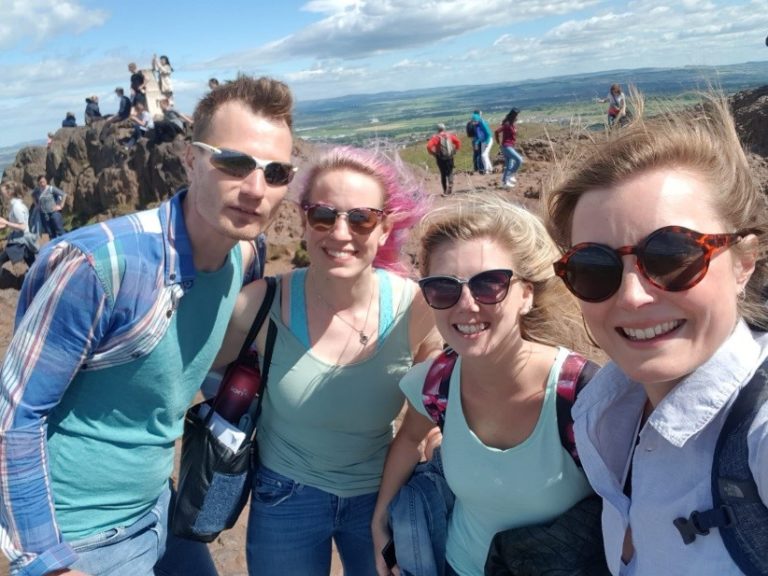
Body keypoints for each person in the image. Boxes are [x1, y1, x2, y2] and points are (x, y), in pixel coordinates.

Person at [0, 75, 295, 576]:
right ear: (190, 159)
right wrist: (47, 564)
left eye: (276, 172)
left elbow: (185, 374)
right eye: (234, 162)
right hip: (84, 537)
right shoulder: (99, 265)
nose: (255, 188)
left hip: (163, 509)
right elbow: (13, 416)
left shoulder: (241, 259)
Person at [545, 94, 768, 574]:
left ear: (744, 262)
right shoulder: (609, 410)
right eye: (593, 266)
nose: (631, 296)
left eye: (671, 256)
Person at [215, 145, 443, 576]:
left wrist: (438, 446)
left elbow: (432, 408)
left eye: (361, 218)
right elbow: (190, 372)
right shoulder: (262, 305)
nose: (341, 234)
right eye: (324, 215)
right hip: (284, 497)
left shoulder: (415, 308)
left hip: (378, 495)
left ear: (383, 228)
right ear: (303, 221)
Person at [372, 194, 598, 576]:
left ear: (526, 295)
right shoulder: (435, 383)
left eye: (489, 284)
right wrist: (380, 522)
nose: (466, 305)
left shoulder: (582, 395)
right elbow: (410, 439)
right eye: (444, 288)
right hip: (457, 565)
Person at [0, 182, 38, 270]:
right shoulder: (15, 205)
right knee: (32, 265)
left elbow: (23, 227)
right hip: (22, 240)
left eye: (2, 193)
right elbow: (17, 223)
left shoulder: (17, 207)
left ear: (9, 193)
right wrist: (5, 225)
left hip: (20, 241)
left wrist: (6, 222)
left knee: (1, 260)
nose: (2, 196)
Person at [426, 123, 461, 196]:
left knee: (443, 173)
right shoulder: (450, 135)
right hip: (450, 157)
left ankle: (445, 190)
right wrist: (455, 150)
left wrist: (433, 153)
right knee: (450, 171)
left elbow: (429, 146)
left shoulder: (435, 138)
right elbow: (458, 142)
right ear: (444, 129)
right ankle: (450, 184)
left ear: (437, 129)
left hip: (440, 158)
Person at [494, 108, 523, 188]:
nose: (518, 116)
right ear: (514, 116)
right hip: (506, 146)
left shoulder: (512, 124)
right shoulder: (507, 124)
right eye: (517, 115)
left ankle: (504, 183)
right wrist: (498, 142)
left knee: (510, 164)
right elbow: (497, 131)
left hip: (509, 146)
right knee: (519, 160)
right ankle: (510, 176)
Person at [32, 175, 66, 239]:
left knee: (59, 230)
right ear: (38, 183)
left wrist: (61, 206)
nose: (42, 183)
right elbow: (33, 195)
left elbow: (63, 194)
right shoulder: (37, 190)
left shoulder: (51, 188)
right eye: (40, 182)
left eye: (43, 181)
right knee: (50, 233)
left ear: (46, 181)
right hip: (44, 215)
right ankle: (54, 247)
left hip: (54, 213)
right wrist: (36, 205)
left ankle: (67, 244)